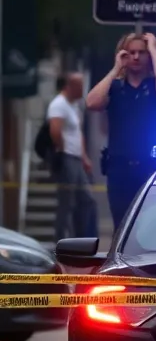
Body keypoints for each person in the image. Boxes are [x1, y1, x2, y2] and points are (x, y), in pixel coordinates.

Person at [85, 31, 156, 228]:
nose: (135, 57)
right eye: (130, 52)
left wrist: (153, 48)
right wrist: (116, 68)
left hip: (151, 167)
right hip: (119, 169)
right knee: (122, 225)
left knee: (152, 225)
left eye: (141, 52)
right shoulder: (115, 88)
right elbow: (91, 102)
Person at [47, 72, 98, 240]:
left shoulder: (74, 106)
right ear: (71, 86)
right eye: (80, 87)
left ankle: (80, 237)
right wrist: (62, 149)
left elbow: (78, 133)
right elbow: (55, 130)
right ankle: (60, 240)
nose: (82, 91)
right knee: (66, 203)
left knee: (87, 199)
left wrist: (84, 157)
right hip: (67, 157)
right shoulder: (58, 104)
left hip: (77, 158)